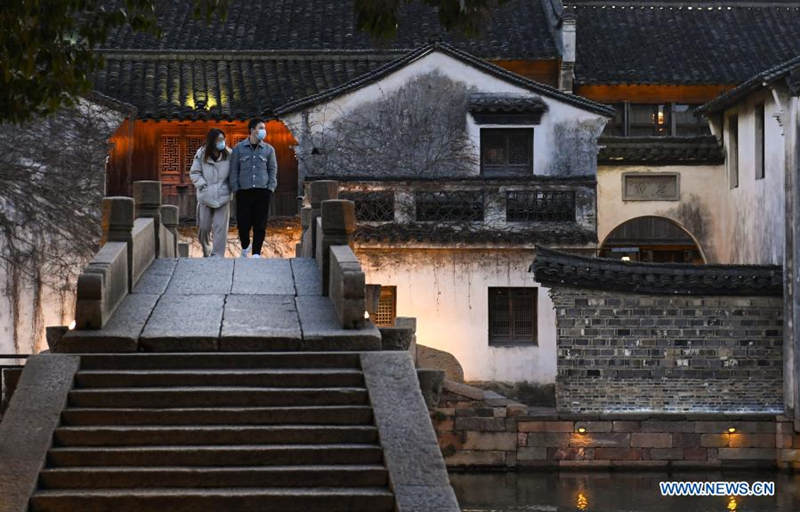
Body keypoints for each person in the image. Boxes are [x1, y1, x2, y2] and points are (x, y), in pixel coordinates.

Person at [229, 118, 278, 258]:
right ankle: (245, 246)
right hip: (244, 191)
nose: (264, 130)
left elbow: (272, 170)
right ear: (252, 130)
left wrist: (270, 188)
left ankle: (256, 252)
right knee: (243, 224)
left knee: (260, 223)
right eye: (261, 127)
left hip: (263, 191)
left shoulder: (269, 150)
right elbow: (234, 170)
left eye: (264, 128)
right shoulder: (238, 149)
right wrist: (235, 188)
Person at [189, 128, 232, 257]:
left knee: (220, 228)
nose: (222, 142)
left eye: (223, 139)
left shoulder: (229, 154)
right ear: (212, 141)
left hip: (223, 196)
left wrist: (230, 187)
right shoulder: (201, 154)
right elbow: (195, 172)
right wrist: (202, 185)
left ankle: (218, 255)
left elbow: (234, 173)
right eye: (219, 140)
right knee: (204, 227)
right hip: (206, 196)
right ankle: (206, 249)